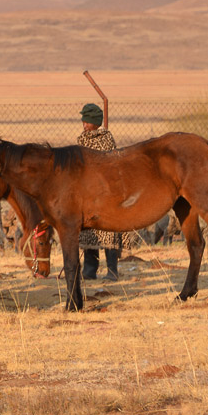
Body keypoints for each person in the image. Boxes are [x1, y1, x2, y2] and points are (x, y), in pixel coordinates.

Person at [77, 103, 121, 281]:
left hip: (105, 194)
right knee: (89, 232)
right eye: (83, 121)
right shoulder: (81, 140)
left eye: (87, 122)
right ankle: (89, 270)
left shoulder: (107, 139)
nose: (84, 125)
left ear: (96, 122)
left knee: (109, 231)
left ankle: (112, 270)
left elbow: (112, 165)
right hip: (87, 194)